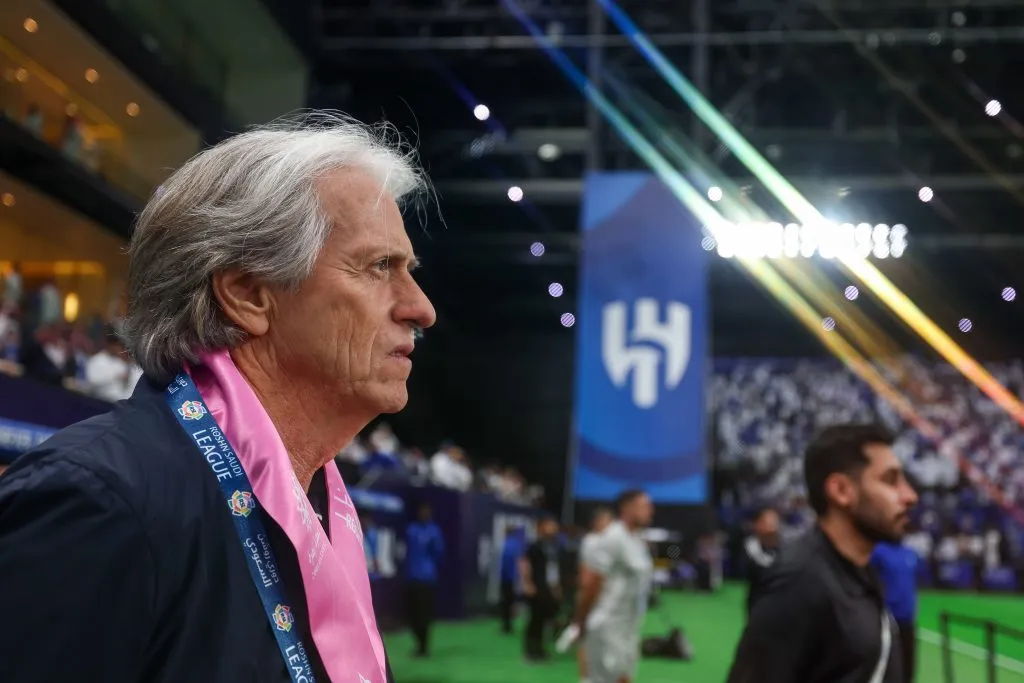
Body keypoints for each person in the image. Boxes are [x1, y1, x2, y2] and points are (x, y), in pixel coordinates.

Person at [0, 113, 436, 683]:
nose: (420, 308)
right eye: (380, 267)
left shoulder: (316, 499)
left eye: (409, 270)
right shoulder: (99, 500)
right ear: (249, 294)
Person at [727, 424, 918, 683]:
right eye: (890, 480)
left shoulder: (859, 572)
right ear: (841, 491)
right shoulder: (798, 583)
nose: (910, 496)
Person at [573, 490, 654, 683]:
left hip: (629, 625)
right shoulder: (613, 538)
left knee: (624, 678)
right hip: (607, 625)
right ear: (626, 507)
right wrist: (581, 620)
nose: (650, 510)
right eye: (644, 506)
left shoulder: (636, 540)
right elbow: (592, 583)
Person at [574, 506, 614, 683]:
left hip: (611, 599)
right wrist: (584, 595)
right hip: (592, 595)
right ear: (596, 522)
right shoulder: (590, 541)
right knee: (587, 637)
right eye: (604, 520)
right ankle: (585, 678)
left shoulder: (615, 542)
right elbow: (586, 571)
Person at [871, 541, 919, 683]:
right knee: (886, 668)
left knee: (908, 668)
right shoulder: (878, 552)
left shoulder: (910, 553)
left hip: (908, 619)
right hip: (887, 618)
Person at [405, 502, 445, 657]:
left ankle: (424, 646)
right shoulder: (411, 530)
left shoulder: (434, 531)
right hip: (412, 577)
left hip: (427, 578)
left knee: (424, 614)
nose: (424, 513)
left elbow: (439, 553)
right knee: (413, 614)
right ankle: (418, 642)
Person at [521, 515, 563, 661]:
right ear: (540, 528)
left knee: (545, 620)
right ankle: (530, 652)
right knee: (535, 620)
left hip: (548, 588)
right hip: (536, 587)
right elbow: (524, 564)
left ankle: (539, 649)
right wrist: (527, 583)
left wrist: (556, 587)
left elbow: (554, 569)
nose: (553, 528)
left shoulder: (553, 546)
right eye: (549, 525)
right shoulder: (534, 545)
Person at [743, 505, 782, 613]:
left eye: (775, 522)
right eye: (767, 522)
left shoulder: (784, 544)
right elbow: (758, 568)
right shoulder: (751, 545)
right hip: (759, 600)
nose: (772, 527)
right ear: (757, 524)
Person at [499, 524, 527, 634]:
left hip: (507, 578)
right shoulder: (518, 545)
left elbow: (505, 564)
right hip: (515, 578)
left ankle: (507, 626)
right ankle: (509, 625)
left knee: (506, 602)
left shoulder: (507, 545)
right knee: (511, 601)